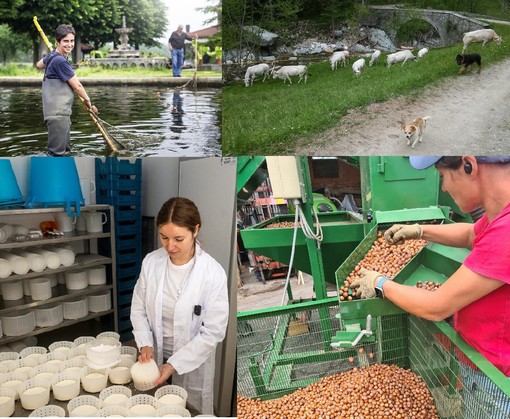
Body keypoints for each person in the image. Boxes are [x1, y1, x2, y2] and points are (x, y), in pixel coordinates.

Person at [350, 155, 510, 417]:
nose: (444, 187)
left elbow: (437, 306)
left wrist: (379, 283)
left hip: (497, 385)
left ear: (469, 165)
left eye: (443, 175)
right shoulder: (500, 215)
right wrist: (418, 230)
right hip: (485, 368)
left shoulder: (506, 232)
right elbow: (471, 234)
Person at [130, 197, 229, 415]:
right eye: (164, 237)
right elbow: (138, 308)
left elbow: (213, 331)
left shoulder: (212, 273)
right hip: (155, 352)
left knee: (186, 409)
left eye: (178, 239)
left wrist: (173, 365)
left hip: (191, 359)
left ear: (196, 230)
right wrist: (145, 344)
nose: (170, 246)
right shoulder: (151, 263)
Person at [36, 24, 98, 156]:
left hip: (58, 113)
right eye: (65, 41)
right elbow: (77, 86)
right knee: (57, 154)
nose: (69, 44)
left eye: (71, 41)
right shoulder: (61, 61)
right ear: (57, 41)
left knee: (65, 151)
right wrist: (88, 103)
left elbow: (39, 64)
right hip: (58, 115)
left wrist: (52, 54)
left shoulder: (53, 57)